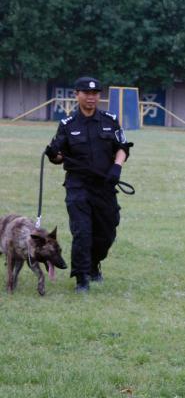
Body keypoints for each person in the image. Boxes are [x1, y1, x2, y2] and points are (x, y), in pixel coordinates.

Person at [44, 76, 133, 293]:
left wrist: (117, 168)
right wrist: (52, 155)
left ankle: (94, 264)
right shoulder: (67, 125)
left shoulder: (110, 120)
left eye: (95, 94)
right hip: (78, 186)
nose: (91, 98)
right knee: (82, 232)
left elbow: (122, 146)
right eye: (86, 93)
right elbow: (58, 156)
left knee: (107, 232)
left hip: (104, 185)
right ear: (77, 95)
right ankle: (82, 277)